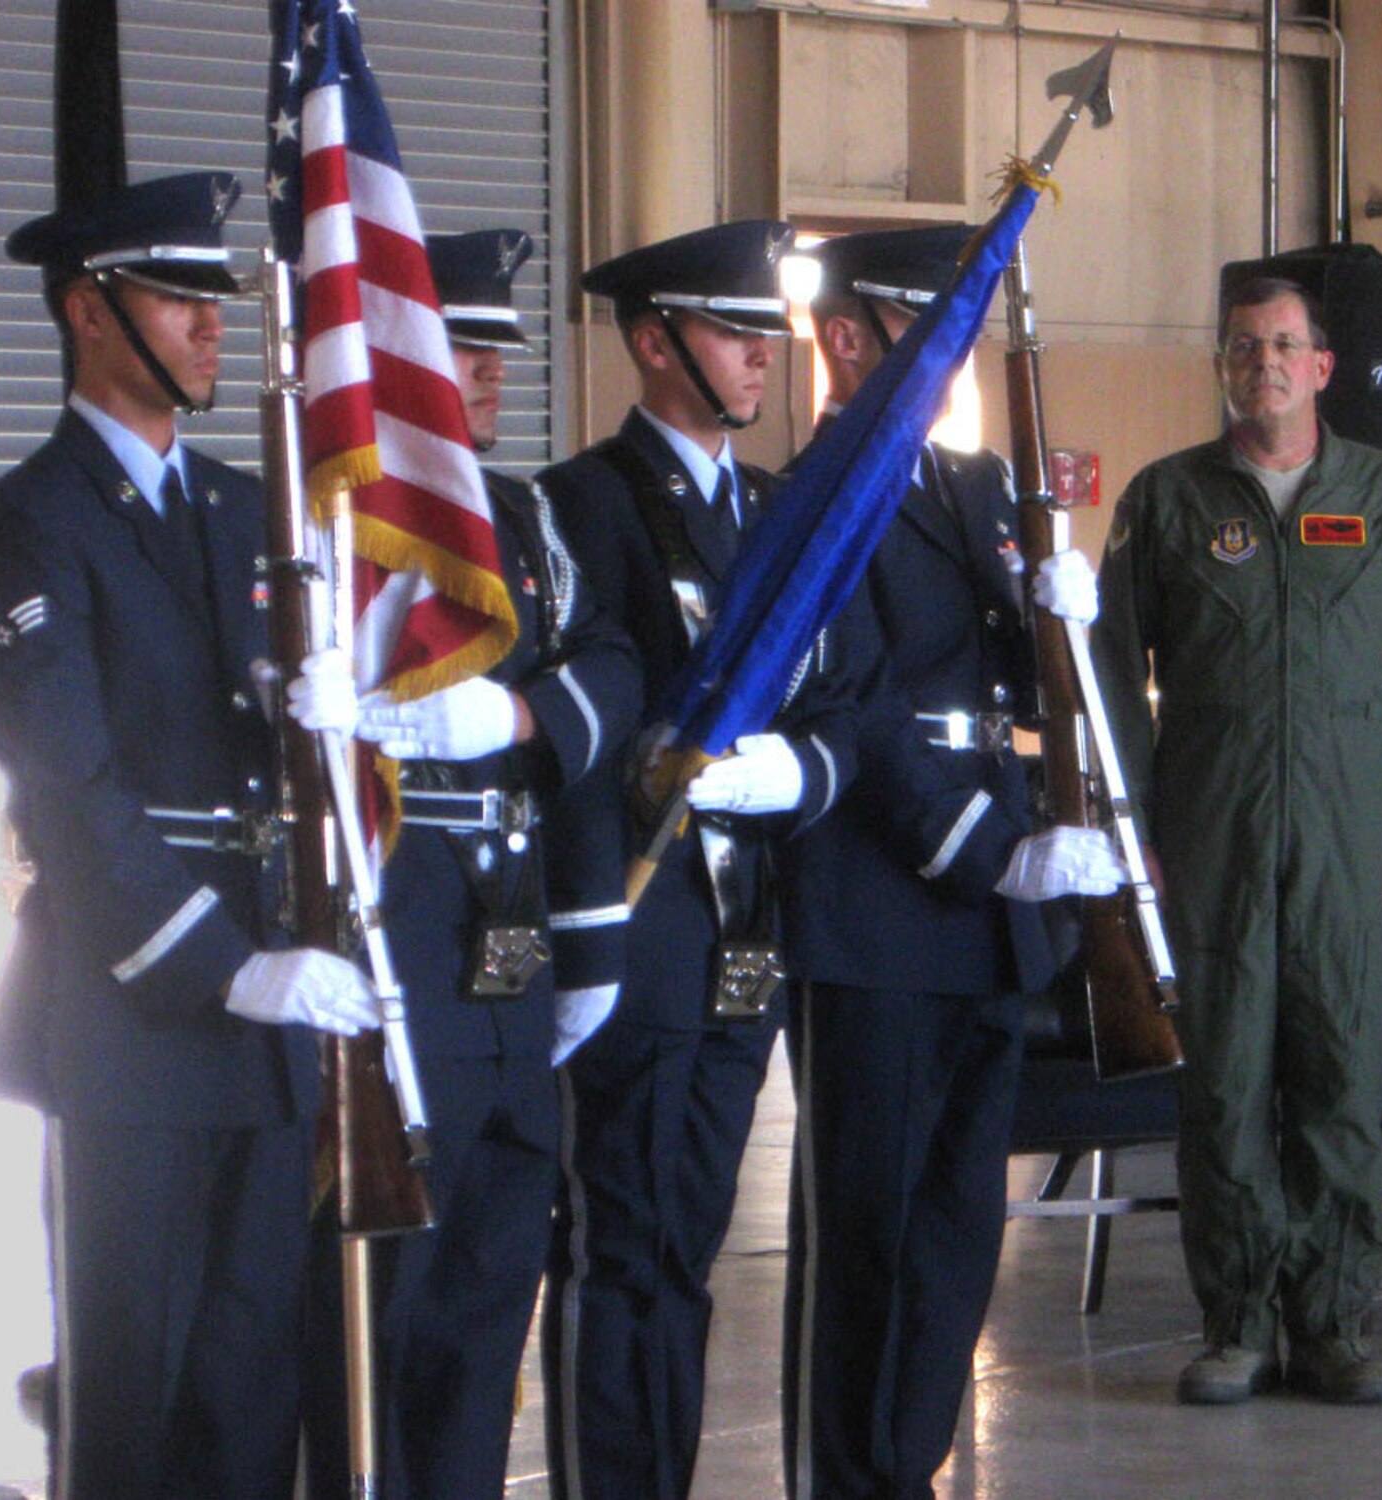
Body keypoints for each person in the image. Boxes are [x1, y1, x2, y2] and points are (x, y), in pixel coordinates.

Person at [0, 172, 385, 1500]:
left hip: (264, 1020)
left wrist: (322, 717)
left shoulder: (238, 514)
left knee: (248, 1389)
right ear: (91, 312)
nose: (213, 328)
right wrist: (224, 965)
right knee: (132, 1398)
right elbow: (76, 789)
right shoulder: (23, 525)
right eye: (179, 297)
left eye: (217, 300)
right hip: (131, 1015)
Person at [291, 228, 640, 1498]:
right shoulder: (331, 520)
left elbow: (610, 665)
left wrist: (521, 717)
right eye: (462, 359)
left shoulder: (529, 518)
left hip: (511, 943)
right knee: (388, 1297)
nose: (488, 383)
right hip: (397, 936)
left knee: (493, 1291)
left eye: (498, 358)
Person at [778, 225, 1124, 1500]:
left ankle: (907, 1465)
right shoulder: (819, 497)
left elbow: (1004, 683)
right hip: (878, 906)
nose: (952, 358)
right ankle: (851, 1480)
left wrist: (1061, 620)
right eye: (929, 332)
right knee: (864, 1233)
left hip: (981, 918)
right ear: (847, 339)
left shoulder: (971, 483)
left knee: (953, 1230)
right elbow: (855, 717)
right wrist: (996, 853)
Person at [1090, 275, 1382, 1407]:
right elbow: (1112, 680)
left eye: (1286, 344)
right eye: (1245, 344)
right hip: (1206, 831)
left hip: (1347, 832)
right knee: (1221, 1083)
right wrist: (1129, 829)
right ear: (1223, 367)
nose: (1264, 360)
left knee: (1338, 1076)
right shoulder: (1166, 501)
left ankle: (1334, 1324)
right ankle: (1238, 1324)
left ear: (1321, 369)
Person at [534, 220, 867, 1500]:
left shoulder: (781, 514)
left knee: (689, 1244)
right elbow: (580, 728)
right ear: (653, 339)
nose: (758, 362)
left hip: (754, 929)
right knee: (619, 1244)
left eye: (761, 336)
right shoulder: (581, 506)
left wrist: (796, 771)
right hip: (645, 927)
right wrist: (582, 940)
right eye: (732, 335)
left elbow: (842, 695)